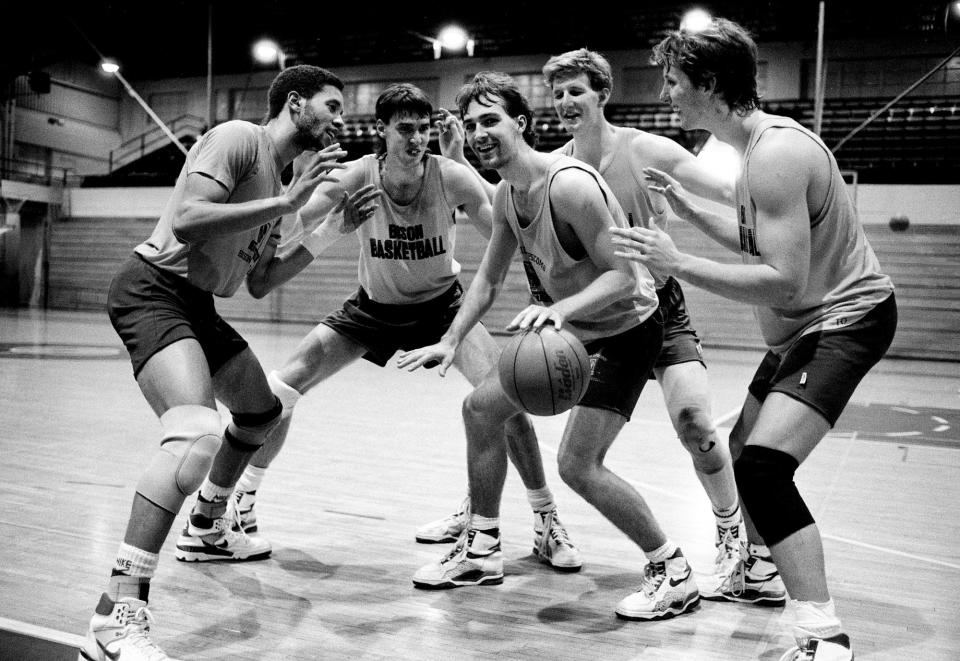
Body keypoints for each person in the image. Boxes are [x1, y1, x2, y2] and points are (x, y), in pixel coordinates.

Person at [611, 18, 896, 660]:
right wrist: (688, 211)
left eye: (674, 80)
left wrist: (674, 261)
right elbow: (760, 239)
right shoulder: (752, 153)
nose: (665, 93)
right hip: (808, 324)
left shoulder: (774, 155)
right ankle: (758, 570)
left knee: (764, 471)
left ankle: (824, 637)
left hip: (845, 318)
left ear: (709, 84)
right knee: (741, 450)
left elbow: (780, 278)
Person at [226, 82, 582, 573]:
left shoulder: (451, 176)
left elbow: (507, 230)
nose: (416, 139)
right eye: (405, 129)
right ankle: (241, 502)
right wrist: (280, 210)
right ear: (382, 131)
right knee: (279, 391)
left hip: (441, 307)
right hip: (373, 308)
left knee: (504, 399)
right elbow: (291, 221)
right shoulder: (356, 176)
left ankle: (546, 520)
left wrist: (559, 274)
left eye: (424, 130)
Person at [398, 71, 699, 622]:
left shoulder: (569, 186)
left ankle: (671, 569)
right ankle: (483, 547)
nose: (480, 132)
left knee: (579, 465)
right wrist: (450, 339)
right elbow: (487, 282)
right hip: (576, 329)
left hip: (627, 329)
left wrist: (559, 310)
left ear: (522, 123)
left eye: (491, 120)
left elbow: (626, 278)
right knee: (480, 408)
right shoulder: (511, 195)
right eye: (471, 125)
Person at [81, 65, 350, 661]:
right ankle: (116, 614)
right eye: (331, 105)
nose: (340, 117)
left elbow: (260, 282)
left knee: (262, 413)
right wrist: (285, 201)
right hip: (152, 289)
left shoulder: (282, 178)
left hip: (195, 303)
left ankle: (205, 527)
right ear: (296, 104)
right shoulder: (238, 139)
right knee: (193, 438)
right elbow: (187, 219)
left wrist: (330, 228)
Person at [537, 47, 785, 603]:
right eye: (557, 93)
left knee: (696, 421)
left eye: (576, 90)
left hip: (660, 307)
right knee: (550, 431)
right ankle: (514, 517)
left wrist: (792, 191)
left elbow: (729, 191)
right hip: (603, 319)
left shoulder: (644, 148)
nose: (565, 102)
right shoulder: (556, 168)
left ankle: (729, 532)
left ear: (602, 93)